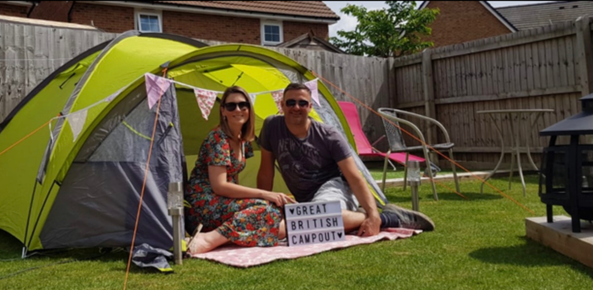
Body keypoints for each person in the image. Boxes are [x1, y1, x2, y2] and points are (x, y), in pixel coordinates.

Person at [257, 83, 435, 236]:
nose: (296, 107)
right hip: (305, 199)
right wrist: (264, 206)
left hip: (334, 186)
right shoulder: (271, 126)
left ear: (310, 106)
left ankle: (388, 218)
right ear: (282, 105)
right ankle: (351, 217)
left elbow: (354, 177)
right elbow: (266, 171)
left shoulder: (328, 135)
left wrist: (374, 216)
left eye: (302, 103)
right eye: (291, 102)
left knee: (301, 224)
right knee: (297, 223)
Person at [185, 86, 295, 255]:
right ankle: (208, 239)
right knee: (266, 209)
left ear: (249, 110)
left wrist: (261, 198)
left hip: (222, 202)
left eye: (243, 105)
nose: (238, 109)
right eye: (231, 106)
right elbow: (219, 186)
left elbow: (233, 181)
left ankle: (226, 235)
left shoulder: (243, 141)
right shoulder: (218, 138)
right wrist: (264, 194)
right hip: (203, 206)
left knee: (273, 210)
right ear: (223, 111)